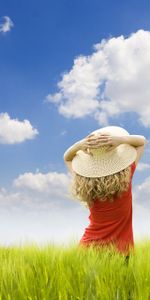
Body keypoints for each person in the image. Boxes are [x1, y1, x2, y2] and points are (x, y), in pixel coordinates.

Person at [63, 126, 147, 258]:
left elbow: (67, 158)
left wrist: (79, 145)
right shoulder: (126, 175)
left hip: (88, 250)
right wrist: (120, 140)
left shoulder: (83, 180)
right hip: (121, 251)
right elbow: (141, 141)